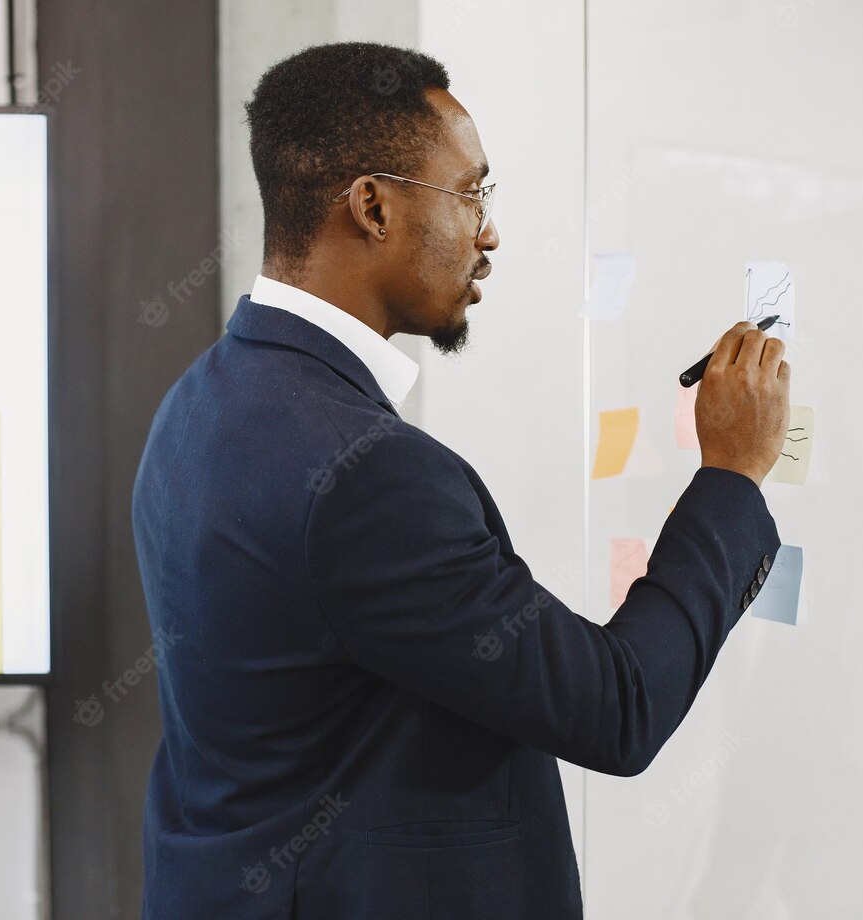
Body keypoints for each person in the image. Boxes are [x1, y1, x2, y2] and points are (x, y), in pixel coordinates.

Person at [132, 40, 789, 920]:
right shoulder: (370, 477)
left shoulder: (199, 401)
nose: (488, 232)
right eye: (471, 193)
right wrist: (731, 476)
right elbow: (618, 705)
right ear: (372, 206)